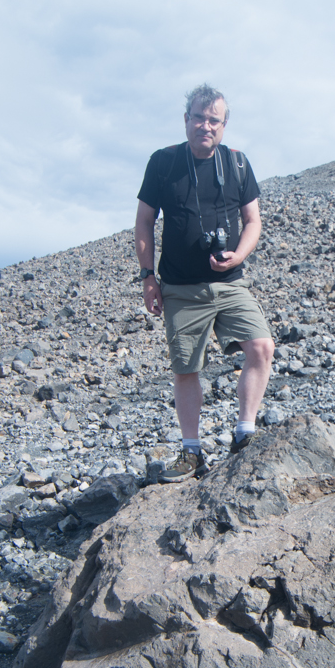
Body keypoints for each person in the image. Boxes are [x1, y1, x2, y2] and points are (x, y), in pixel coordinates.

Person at [135, 84, 276, 483]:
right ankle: (191, 450)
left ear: (224, 126)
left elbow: (253, 221)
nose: (205, 125)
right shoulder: (163, 163)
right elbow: (144, 222)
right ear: (186, 121)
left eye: (214, 120)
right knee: (186, 367)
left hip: (230, 282)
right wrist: (148, 277)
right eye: (198, 117)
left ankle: (245, 432)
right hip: (180, 286)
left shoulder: (237, 165)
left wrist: (239, 255)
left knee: (261, 345)